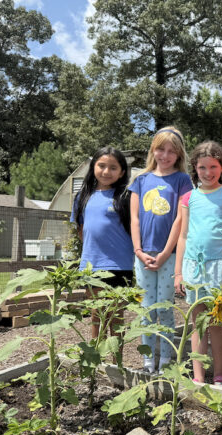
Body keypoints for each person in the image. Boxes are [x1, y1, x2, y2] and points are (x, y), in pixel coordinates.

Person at [174, 141, 222, 387]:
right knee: (196, 324)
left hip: (219, 268)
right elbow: (182, 236)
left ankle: (220, 373)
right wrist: (178, 273)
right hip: (193, 267)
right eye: (202, 167)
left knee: (216, 322)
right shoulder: (188, 197)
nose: (208, 172)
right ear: (195, 168)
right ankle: (199, 375)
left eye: (213, 166)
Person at [129, 126, 192, 373]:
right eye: (160, 149)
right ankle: (147, 362)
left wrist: (165, 253)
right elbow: (134, 218)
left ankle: (165, 361)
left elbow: (179, 219)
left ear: (179, 155)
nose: (165, 155)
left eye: (171, 152)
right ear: (153, 150)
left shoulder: (182, 180)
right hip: (142, 255)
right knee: (146, 309)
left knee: (165, 308)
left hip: (169, 256)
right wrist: (138, 250)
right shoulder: (140, 180)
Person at [71, 147, 134, 354]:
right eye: (102, 166)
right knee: (96, 315)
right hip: (92, 265)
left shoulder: (126, 197)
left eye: (113, 167)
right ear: (93, 167)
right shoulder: (82, 197)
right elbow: (82, 230)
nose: (106, 171)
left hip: (120, 265)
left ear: (122, 172)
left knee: (116, 317)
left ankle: (117, 360)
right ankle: (96, 359)